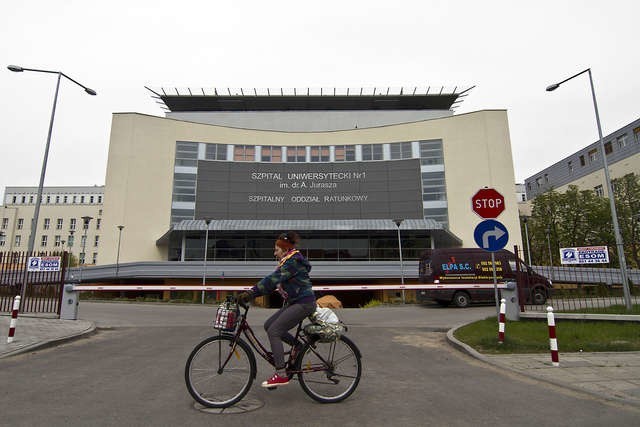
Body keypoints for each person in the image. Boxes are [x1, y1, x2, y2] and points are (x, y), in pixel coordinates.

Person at [238, 231, 316, 387]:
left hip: (304, 303)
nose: (275, 253)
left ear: (285, 249)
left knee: (274, 331)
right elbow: (272, 281)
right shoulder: (289, 261)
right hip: (295, 302)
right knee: (269, 325)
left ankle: (281, 373)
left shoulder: (293, 262)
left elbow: (272, 280)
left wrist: (251, 293)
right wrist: (252, 292)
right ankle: (298, 346)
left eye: (276, 250)